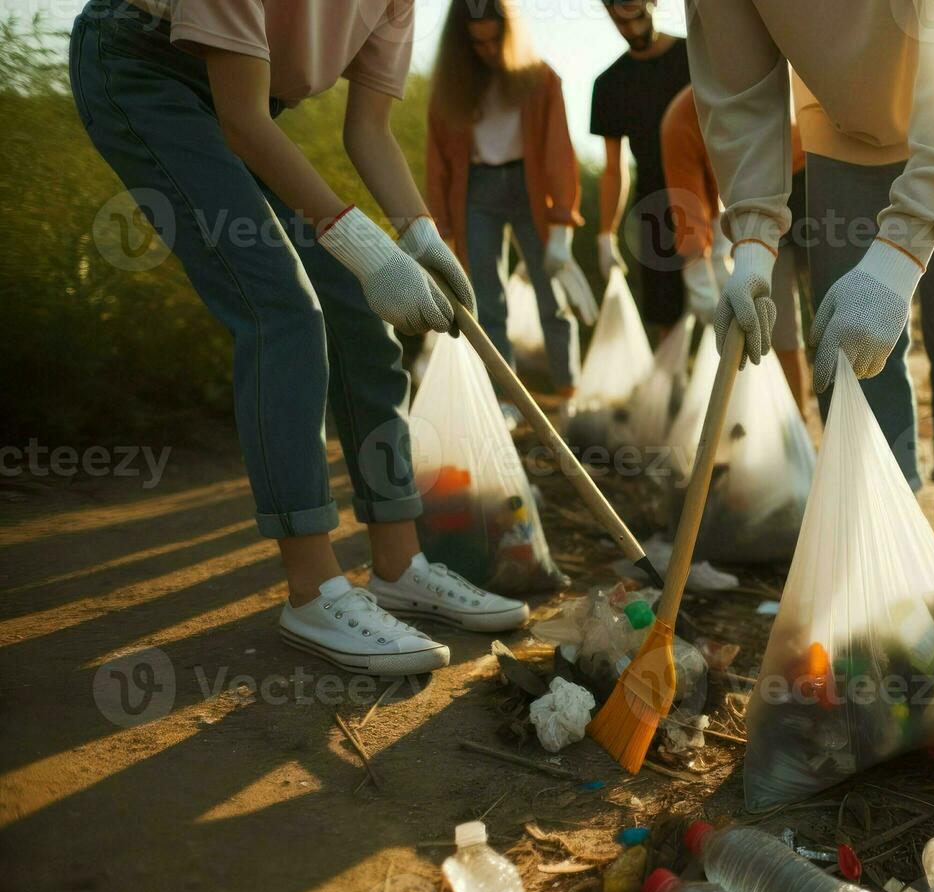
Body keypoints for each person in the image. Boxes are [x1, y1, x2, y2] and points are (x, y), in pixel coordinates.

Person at [69, 0, 532, 677]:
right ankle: (312, 591)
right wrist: (371, 251)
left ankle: (400, 565)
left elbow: (368, 129)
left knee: (354, 311)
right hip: (142, 66)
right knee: (281, 307)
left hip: (246, 106)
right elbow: (242, 118)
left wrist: (419, 235)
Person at [685, 0, 934, 558]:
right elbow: (740, 90)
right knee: (850, 356)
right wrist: (753, 247)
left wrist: (900, 257)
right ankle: (887, 520)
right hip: (837, 134)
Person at [426, 0, 597, 403]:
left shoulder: (541, 80)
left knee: (550, 294)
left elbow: (559, 154)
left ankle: (568, 391)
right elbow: (438, 164)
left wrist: (560, 228)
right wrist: (442, 231)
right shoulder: (451, 88)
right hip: (476, 191)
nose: (486, 51)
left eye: (493, 40)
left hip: (531, 188)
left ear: (510, 34)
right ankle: (505, 400)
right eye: (476, 43)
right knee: (486, 299)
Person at [658, 85, 815, 414]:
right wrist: (697, 265)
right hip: (758, 204)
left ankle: (843, 429)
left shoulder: (781, 80)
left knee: (833, 310)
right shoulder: (681, 120)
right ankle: (795, 429)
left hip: (811, 175)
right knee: (777, 321)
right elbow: (689, 199)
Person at [590, 0, 692, 332]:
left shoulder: (695, 58)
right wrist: (606, 234)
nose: (632, 30)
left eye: (637, 18)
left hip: (706, 202)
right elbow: (613, 169)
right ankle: (675, 383)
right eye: (621, 23)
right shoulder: (609, 84)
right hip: (654, 210)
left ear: (653, 4)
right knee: (666, 317)